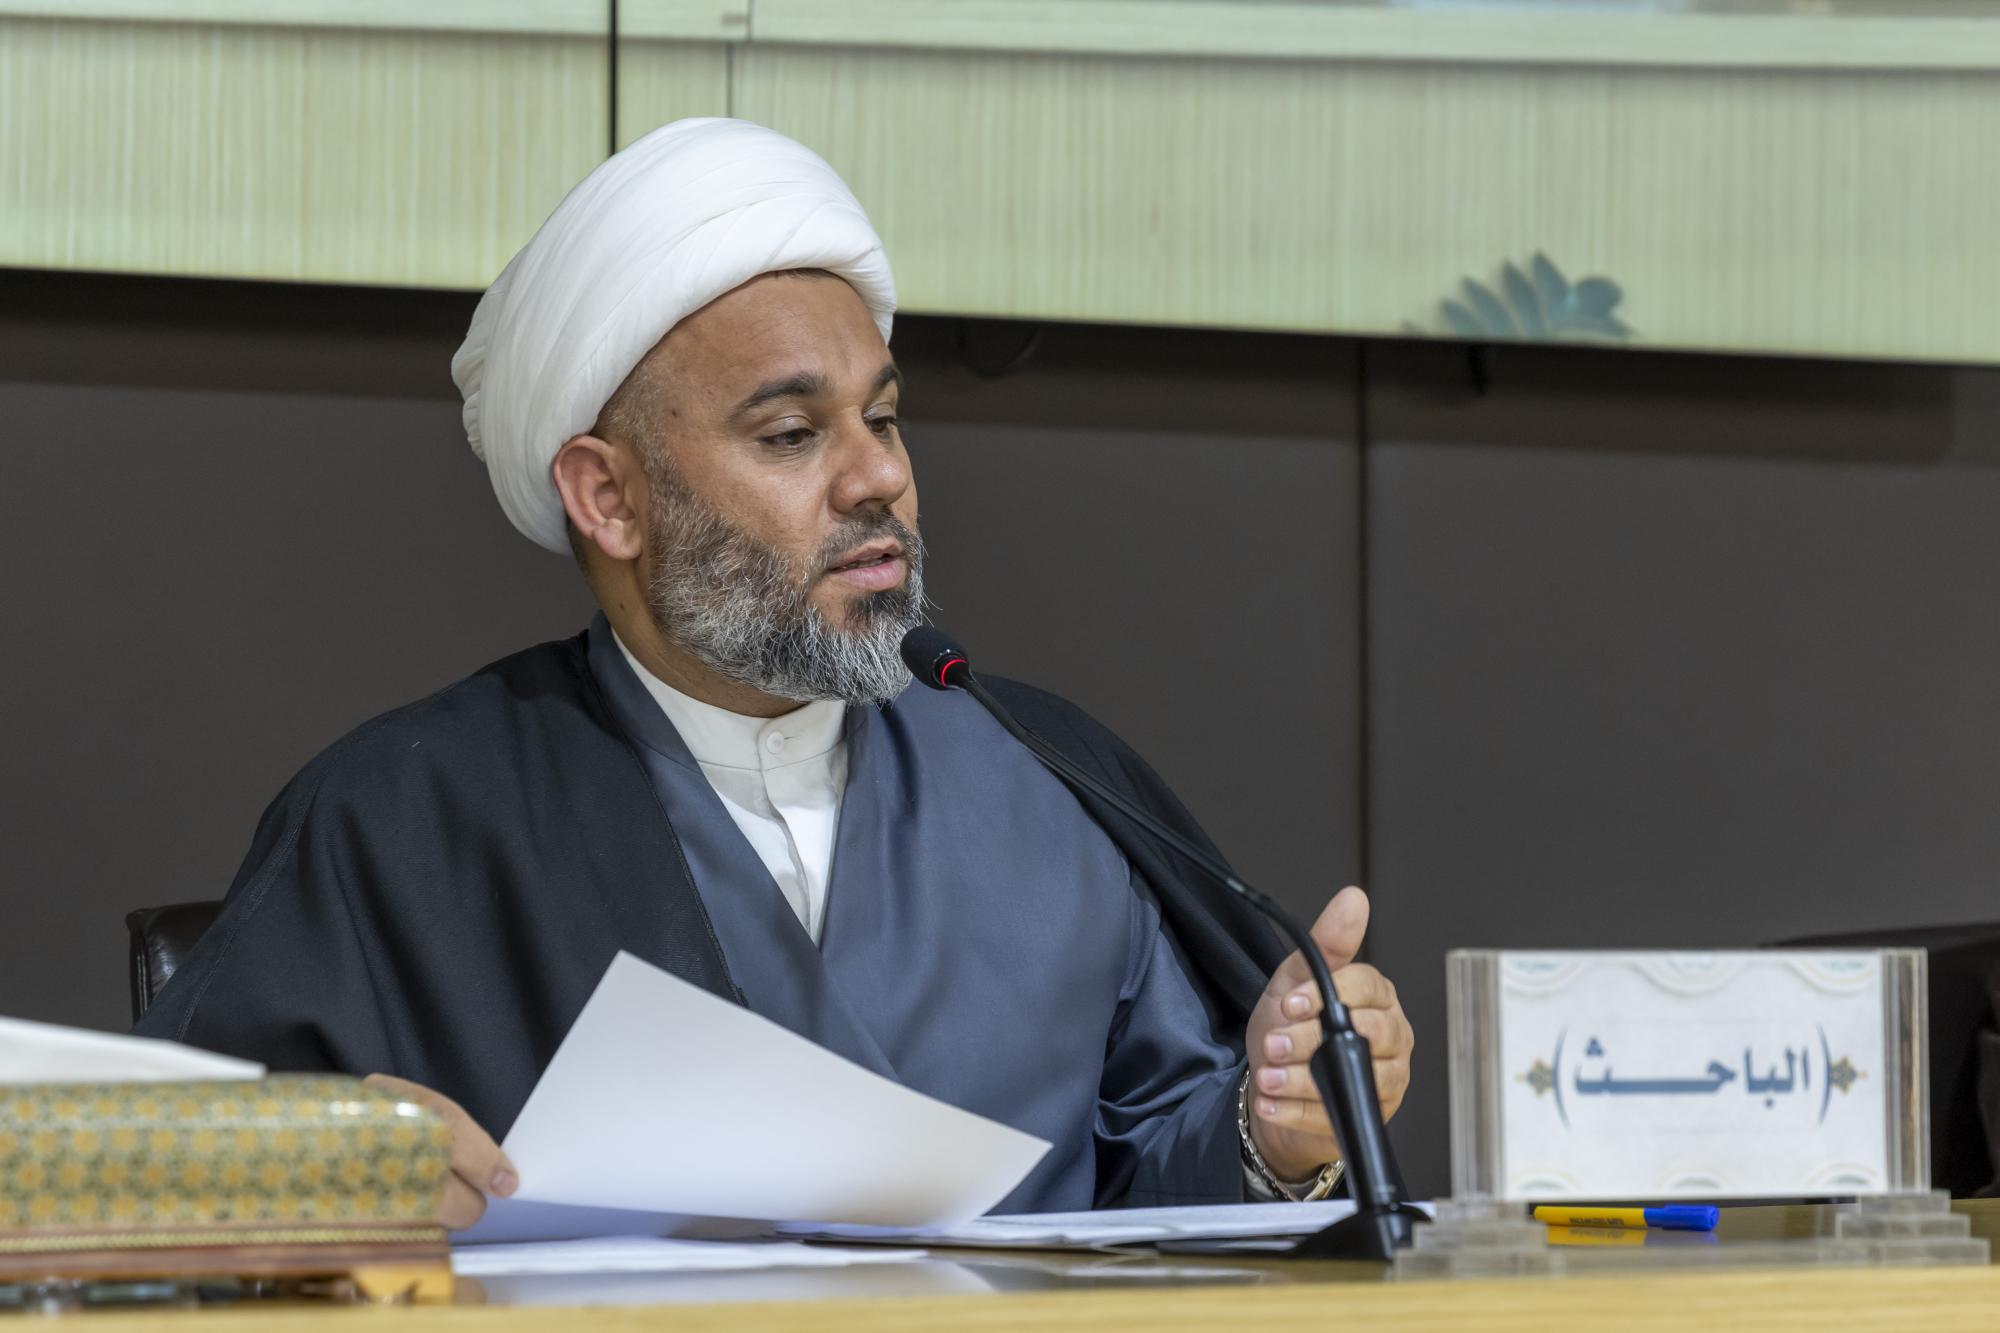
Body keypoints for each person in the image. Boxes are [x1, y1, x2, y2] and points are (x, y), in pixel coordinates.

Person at [133, 118, 1413, 1228]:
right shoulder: (405, 821)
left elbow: (1150, 1193)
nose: (878, 477)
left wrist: (1274, 1133)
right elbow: (159, 1184)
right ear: (608, 497)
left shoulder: (1045, 787)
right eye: (793, 433)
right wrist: (325, 1170)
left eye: (883, 416)